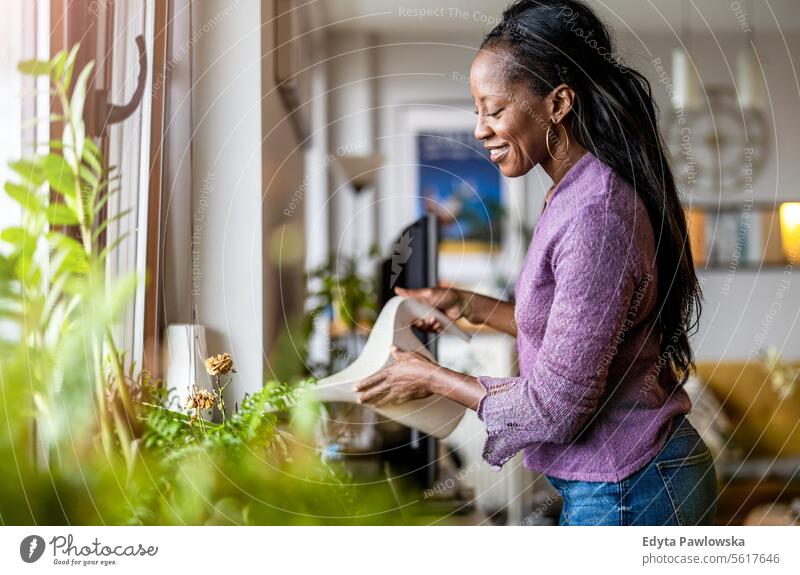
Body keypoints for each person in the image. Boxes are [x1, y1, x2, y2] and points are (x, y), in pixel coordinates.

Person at [354, 0, 717, 526]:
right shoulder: (573, 193)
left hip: (631, 488)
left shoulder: (596, 216)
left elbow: (555, 405)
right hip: (626, 480)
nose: (480, 129)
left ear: (559, 103)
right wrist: (466, 303)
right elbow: (568, 331)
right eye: (476, 110)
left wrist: (430, 378)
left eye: (494, 109)